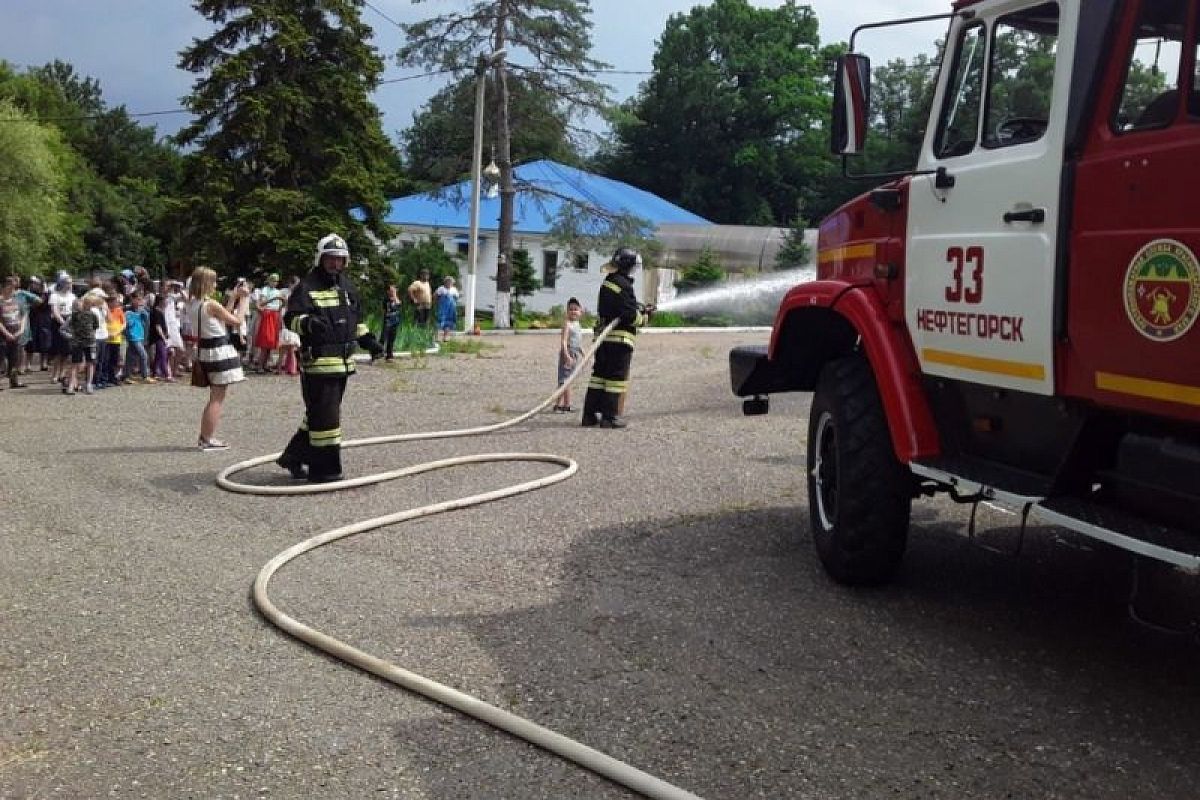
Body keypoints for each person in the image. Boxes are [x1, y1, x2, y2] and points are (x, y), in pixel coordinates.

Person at [277, 233, 383, 482]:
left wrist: (370, 342)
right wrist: (308, 323)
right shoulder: (307, 287)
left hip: (344, 364)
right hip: (318, 364)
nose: (335, 264)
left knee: (319, 413)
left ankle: (294, 456)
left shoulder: (348, 288)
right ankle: (325, 471)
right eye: (331, 259)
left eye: (340, 259)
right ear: (321, 259)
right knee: (326, 419)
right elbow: (290, 319)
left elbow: (355, 322)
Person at [582, 248, 653, 429]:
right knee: (615, 379)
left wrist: (639, 307)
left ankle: (589, 416)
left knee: (599, 376)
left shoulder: (610, 281)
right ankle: (610, 417)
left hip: (604, 340)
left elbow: (619, 306)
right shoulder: (624, 284)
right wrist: (644, 318)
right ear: (628, 265)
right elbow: (629, 315)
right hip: (619, 340)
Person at [188, 266, 250, 451]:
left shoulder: (193, 303)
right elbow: (236, 321)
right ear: (206, 283)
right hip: (219, 351)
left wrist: (233, 298)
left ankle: (205, 436)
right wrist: (245, 299)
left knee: (215, 397)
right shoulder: (210, 304)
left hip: (205, 350)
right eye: (213, 281)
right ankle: (207, 438)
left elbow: (221, 318)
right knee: (217, 398)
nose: (215, 285)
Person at [553, 297, 584, 413]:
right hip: (568, 354)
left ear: (581, 311)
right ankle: (567, 405)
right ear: (567, 311)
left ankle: (557, 405)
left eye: (575, 309)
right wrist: (566, 355)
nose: (573, 311)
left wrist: (583, 353)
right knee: (566, 381)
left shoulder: (577, 325)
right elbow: (564, 341)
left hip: (575, 354)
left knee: (564, 381)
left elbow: (578, 342)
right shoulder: (567, 324)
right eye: (570, 309)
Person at [65, 295, 100, 395]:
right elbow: (71, 325)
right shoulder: (75, 315)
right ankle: (71, 384)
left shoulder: (93, 315)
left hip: (90, 342)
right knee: (75, 364)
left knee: (90, 363)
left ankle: (89, 384)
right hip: (77, 342)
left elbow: (95, 327)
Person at [253, 272, 285, 372]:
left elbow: (282, 304)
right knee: (265, 341)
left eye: (276, 281)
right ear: (269, 281)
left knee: (272, 342)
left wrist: (282, 302)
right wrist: (274, 299)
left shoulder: (278, 291)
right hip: (268, 313)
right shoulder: (265, 290)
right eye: (273, 281)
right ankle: (260, 366)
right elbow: (261, 303)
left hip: (275, 314)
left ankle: (266, 364)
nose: (275, 283)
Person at [0, 277, 28, 389]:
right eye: (10, 287)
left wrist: (21, 329)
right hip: (3, 334)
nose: (12, 290)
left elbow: (24, 315)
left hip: (16, 332)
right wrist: (6, 333)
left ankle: (14, 380)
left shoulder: (18, 301)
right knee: (2, 359)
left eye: (13, 288)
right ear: (4, 287)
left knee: (15, 358)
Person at [124, 292, 153, 383]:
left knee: (130, 357)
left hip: (140, 335)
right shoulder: (128, 312)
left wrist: (143, 312)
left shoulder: (142, 311)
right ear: (132, 300)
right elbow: (128, 324)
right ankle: (144, 376)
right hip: (133, 336)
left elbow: (147, 321)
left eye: (140, 299)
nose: (139, 302)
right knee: (143, 355)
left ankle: (127, 376)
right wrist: (136, 315)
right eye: (137, 299)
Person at [434, 276, 459, 342]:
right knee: (439, 321)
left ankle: (445, 337)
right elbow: (435, 296)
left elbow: (456, 298)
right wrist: (437, 303)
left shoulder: (454, 289)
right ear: (445, 282)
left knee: (448, 322)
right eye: (447, 281)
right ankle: (436, 337)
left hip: (450, 309)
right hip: (442, 308)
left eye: (450, 282)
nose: (449, 283)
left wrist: (454, 306)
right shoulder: (441, 288)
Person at [381, 284, 402, 361]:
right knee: (383, 338)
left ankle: (389, 355)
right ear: (388, 291)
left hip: (395, 321)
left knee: (391, 338)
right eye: (391, 290)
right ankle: (378, 353)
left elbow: (399, 304)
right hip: (387, 321)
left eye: (394, 290)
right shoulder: (386, 299)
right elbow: (383, 310)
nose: (393, 291)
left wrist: (395, 295)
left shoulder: (396, 299)